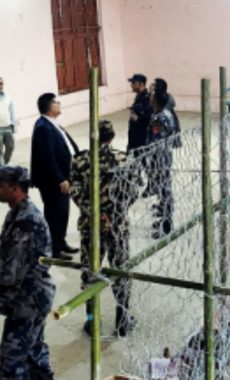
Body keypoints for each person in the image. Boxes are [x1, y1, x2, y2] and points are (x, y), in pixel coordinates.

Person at [0, 166, 56, 380]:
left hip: (28, 301)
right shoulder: (16, 214)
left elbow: (12, 275)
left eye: (0, 185)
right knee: (34, 355)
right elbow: (5, 259)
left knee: (10, 366)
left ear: (14, 188)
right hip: (30, 299)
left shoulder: (25, 222)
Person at [70, 120, 139, 336]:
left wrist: (96, 214)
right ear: (112, 136)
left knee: (91, 272)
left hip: (91, 227)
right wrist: (114, 214)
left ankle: (92, 321)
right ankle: (122, 321)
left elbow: (75, 191)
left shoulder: (80, 160)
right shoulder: (123, 159)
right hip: (117, 227)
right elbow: (133, 192)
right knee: (120, 272)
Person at [31, 93, 79, 260]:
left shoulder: (52, 124)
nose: (59, 104)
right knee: (55, 213)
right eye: (56, 102)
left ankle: (60, 241)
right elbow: (47, 157)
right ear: (49, 107)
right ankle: (54, 248)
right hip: (52, 181)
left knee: (62, 212)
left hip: (64, 177)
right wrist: (60, 178)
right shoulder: (43, 127)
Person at [146, 90, 176, 239]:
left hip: (160, 157)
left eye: (152, 97)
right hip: (164, 154)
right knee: (164, 187)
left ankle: (166, 225)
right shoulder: (166, 113)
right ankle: (164, 219)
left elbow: (156, 139)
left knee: (164, 189)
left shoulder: (160, 117)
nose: (150, 99)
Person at [127, 73, 151, 156]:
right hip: (134, 135)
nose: (131, 85)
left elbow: (149, 116)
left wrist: (138, 119)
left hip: (141, 137)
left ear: (141, 84)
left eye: (134, 83)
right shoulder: (139, 97)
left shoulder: (147, 98)